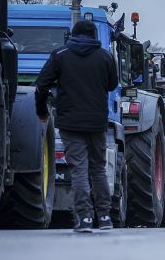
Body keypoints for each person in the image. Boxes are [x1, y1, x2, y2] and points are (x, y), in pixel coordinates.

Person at [35, 20, 118, 233]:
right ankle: (106, 217)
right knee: (98, 169)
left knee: (79, 170)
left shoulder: (60, 55)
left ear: (73, 34)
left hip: (70, 123)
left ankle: (85, 219)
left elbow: (41, 85)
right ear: (93, 35)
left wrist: (42, 111)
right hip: (97, 123)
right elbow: (111, 84)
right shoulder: (105, 56)